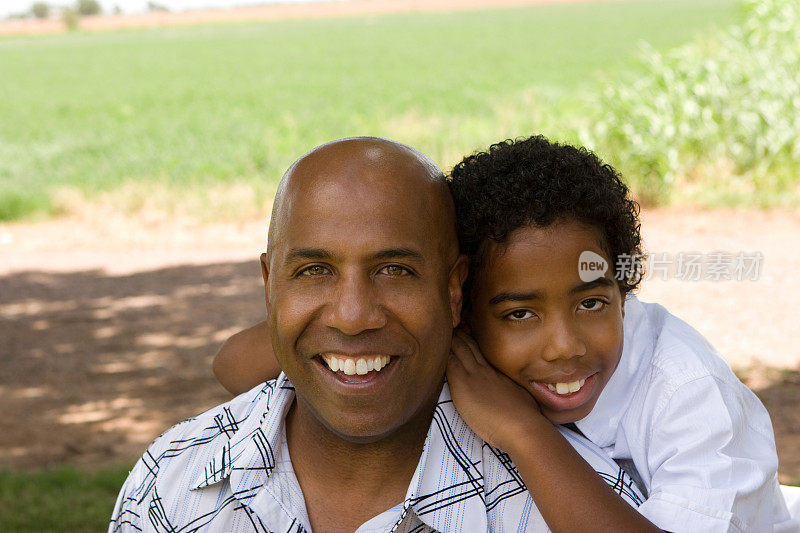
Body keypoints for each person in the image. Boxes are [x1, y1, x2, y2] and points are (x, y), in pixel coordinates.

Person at [213, 136, 795, 532]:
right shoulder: (456, 341)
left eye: (591, 302)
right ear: (458, 302)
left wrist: (523, 433)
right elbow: (233, 365)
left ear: (624, 284)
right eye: (519, 314)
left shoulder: (685, 391)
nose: (563, 344)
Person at [109, 137, 644, 533]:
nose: (352, 315)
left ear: (454, 290)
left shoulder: (567, 502)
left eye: (395, 270)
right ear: (271, 287)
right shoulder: (174, 481)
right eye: (315, 270)